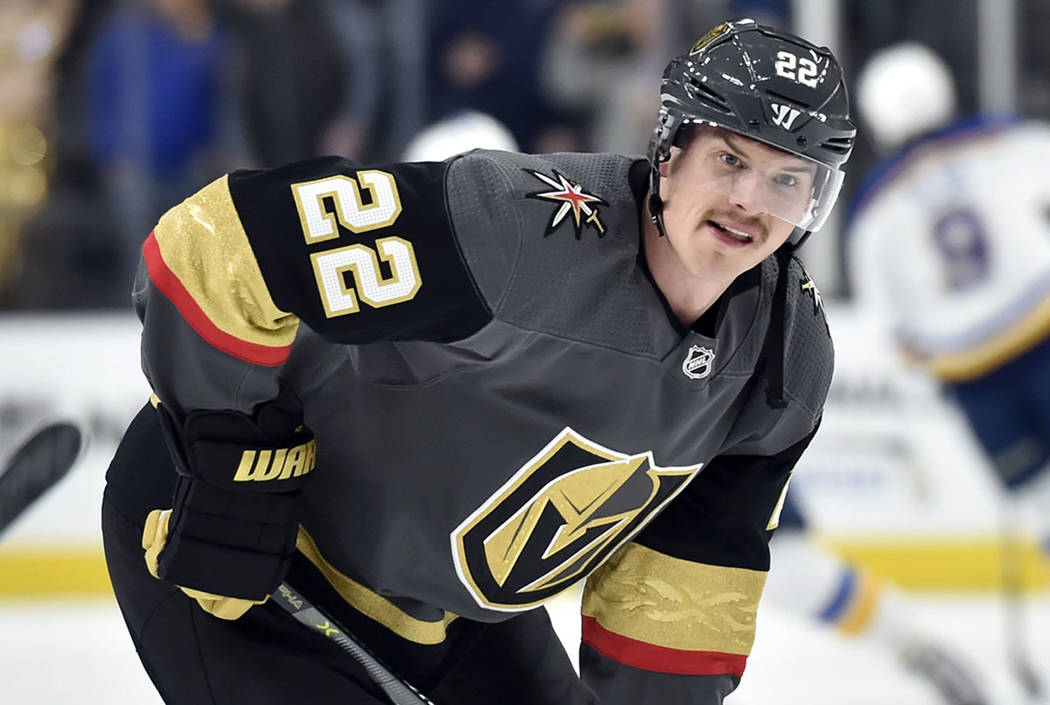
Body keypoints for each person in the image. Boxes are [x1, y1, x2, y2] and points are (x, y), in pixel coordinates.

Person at [101, 18, 854, 705]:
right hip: (245, 553)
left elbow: (683, 587)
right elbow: (219, 241)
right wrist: (232, 463)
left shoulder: (782, 361)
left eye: (787, 178)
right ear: (668, 151)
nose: (750, 201)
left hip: (451, 616)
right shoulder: (515, 233)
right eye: (729, 159)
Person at [847, 41, 1050, 695]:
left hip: (974, 381)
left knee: (1043, 504)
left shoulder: (873, 209)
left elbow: (891, 332)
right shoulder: (1007, 140)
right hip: (1044, 338)